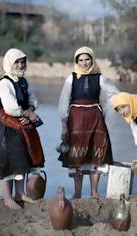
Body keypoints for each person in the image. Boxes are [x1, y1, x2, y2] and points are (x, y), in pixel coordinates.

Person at [58, 46, 119, 199]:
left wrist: (118, 106)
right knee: (76, 156)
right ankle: (77, 192)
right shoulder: (71, 78)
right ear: (76, 61)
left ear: (92, 60)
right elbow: (64, 101)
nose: (84, 63)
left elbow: (112, 94)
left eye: (87, 59)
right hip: (75, 120)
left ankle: (94, 192)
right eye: (81, 60)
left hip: (95, 119)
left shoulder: (99, 78)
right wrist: (64, 124)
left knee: (96, 153)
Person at [0, 48, 45, 210]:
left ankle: (20, 194)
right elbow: (10, 108)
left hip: (23, 126)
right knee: (7, 162)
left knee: (21, 160)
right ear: (9, 63)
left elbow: (33, 99)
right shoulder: (4, 83)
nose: (20, 65)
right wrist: (26, 113)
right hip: (9, 127)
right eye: (17, 62)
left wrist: (29, 110)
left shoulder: (23, 81)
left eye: (23, 62)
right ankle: (8, 198)